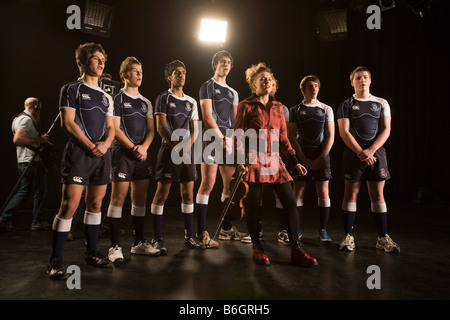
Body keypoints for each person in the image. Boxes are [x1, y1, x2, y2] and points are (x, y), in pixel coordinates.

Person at [234, 62, 317, 266]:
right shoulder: (245, 105)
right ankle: (257, 248)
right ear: (253, 84)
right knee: (254, 205)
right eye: (262, 79)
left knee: (290, 202)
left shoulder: (279, 107)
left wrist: (294, 161)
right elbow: (236, 135)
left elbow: (283, 139)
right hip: (253, 159)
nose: (267, 81)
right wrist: (239, 160)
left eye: (269, 79)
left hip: (275, 160)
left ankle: (296, 250)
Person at [47, 42, 115, 279]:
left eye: (102, 58)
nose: (100, 62)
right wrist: (90, 146)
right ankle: (55, 260)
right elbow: (68, 123)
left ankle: (92, 252)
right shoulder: (71, 89)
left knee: (96, 205)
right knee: (69, 206)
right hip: (79, 153)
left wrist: (105, 145)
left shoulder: (107, 97)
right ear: (84, 62)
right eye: (95, 58)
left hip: (102, 155)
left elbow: (111, 128)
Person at [337, 66, 400, 253]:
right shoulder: (345, 104)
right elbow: (343, 132)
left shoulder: (382, 103)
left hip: (377, 154)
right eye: (358, 77)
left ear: (370, 81)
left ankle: (382, 238)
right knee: (350, 194)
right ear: (352, 82)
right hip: (353, 153)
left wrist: (371, 150)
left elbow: (386, 129)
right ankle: (348, 236)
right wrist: (360, 152)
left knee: (378, 195)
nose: (362, 80)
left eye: (365, 77)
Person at [106, 57, 159, 263]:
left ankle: (138, 244)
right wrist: (133, 148)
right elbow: (115, 129)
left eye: (141, 70)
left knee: (139, 201)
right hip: (123, 154)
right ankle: (114, 246)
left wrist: (144, 147)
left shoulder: (146, 102)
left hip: (142, 155)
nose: (139, 74)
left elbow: (152, 130)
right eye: (135, 71)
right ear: (124, 75)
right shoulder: (116, 99)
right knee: (117, 199)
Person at [195, 50, 248, 248]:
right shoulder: (206, 86)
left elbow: (235, 121)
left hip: (228, 141)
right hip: (212, 138)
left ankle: (225, 229)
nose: (225, 65)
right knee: (208, 184)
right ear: (215, 64)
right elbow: (207, 117)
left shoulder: (233, 92)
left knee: (229, 186)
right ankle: (201, 233)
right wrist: (221, 138)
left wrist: (234, 141)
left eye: (228, 62)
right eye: (222, 62)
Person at [150, 60, 203, 251]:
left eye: (183, 72)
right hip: (168, 150)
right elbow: (160, 127)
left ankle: (189, 235)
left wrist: (186, 147)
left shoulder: (191, 102)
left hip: (187, 152)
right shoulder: (163, 98)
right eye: (177, 73)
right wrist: (177, 145)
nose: (181, 75)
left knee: (188, 193)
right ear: (169, 77)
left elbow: (196, 129)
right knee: (162, 194)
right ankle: (157, 238)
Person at [288, 75, 335, 244]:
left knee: (323, 193)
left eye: (316, 86)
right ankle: (297, 229)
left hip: (321, 157)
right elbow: (291, 137)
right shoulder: (295, 109)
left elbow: (330, 137)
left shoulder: (326, 109)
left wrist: (321, 158)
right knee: (298, 193)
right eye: (310, 86)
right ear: (303, 89)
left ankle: (323, 230)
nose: (313, 89)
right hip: (302, 157)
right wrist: (302, 159)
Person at [0, 97, 50, 232]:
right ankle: (38, 221)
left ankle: (4, 218)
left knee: (24, 191)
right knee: (41, 191)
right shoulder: (26, 120)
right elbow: (18, 139)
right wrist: (40, 139)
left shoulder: (18, 118)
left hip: (23, 160)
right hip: (32, 161)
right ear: (36, 107)